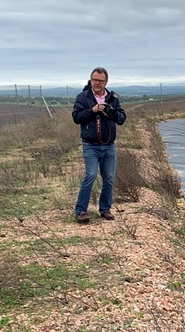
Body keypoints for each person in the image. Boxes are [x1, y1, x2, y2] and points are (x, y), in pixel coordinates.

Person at [72, 67, 125, 223]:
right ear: (91, 80)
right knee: (91, 175)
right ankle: (81, 211)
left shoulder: (112, 98)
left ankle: (105, 209)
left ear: (106, 82)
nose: (97, 83)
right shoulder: (83, 97)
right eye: (95, 79)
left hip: (109, 145)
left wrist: (112, 112)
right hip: (90, 145)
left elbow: (121, 118)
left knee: (108, 178)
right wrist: (93, 110)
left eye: (101, 80)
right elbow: (76, 117)